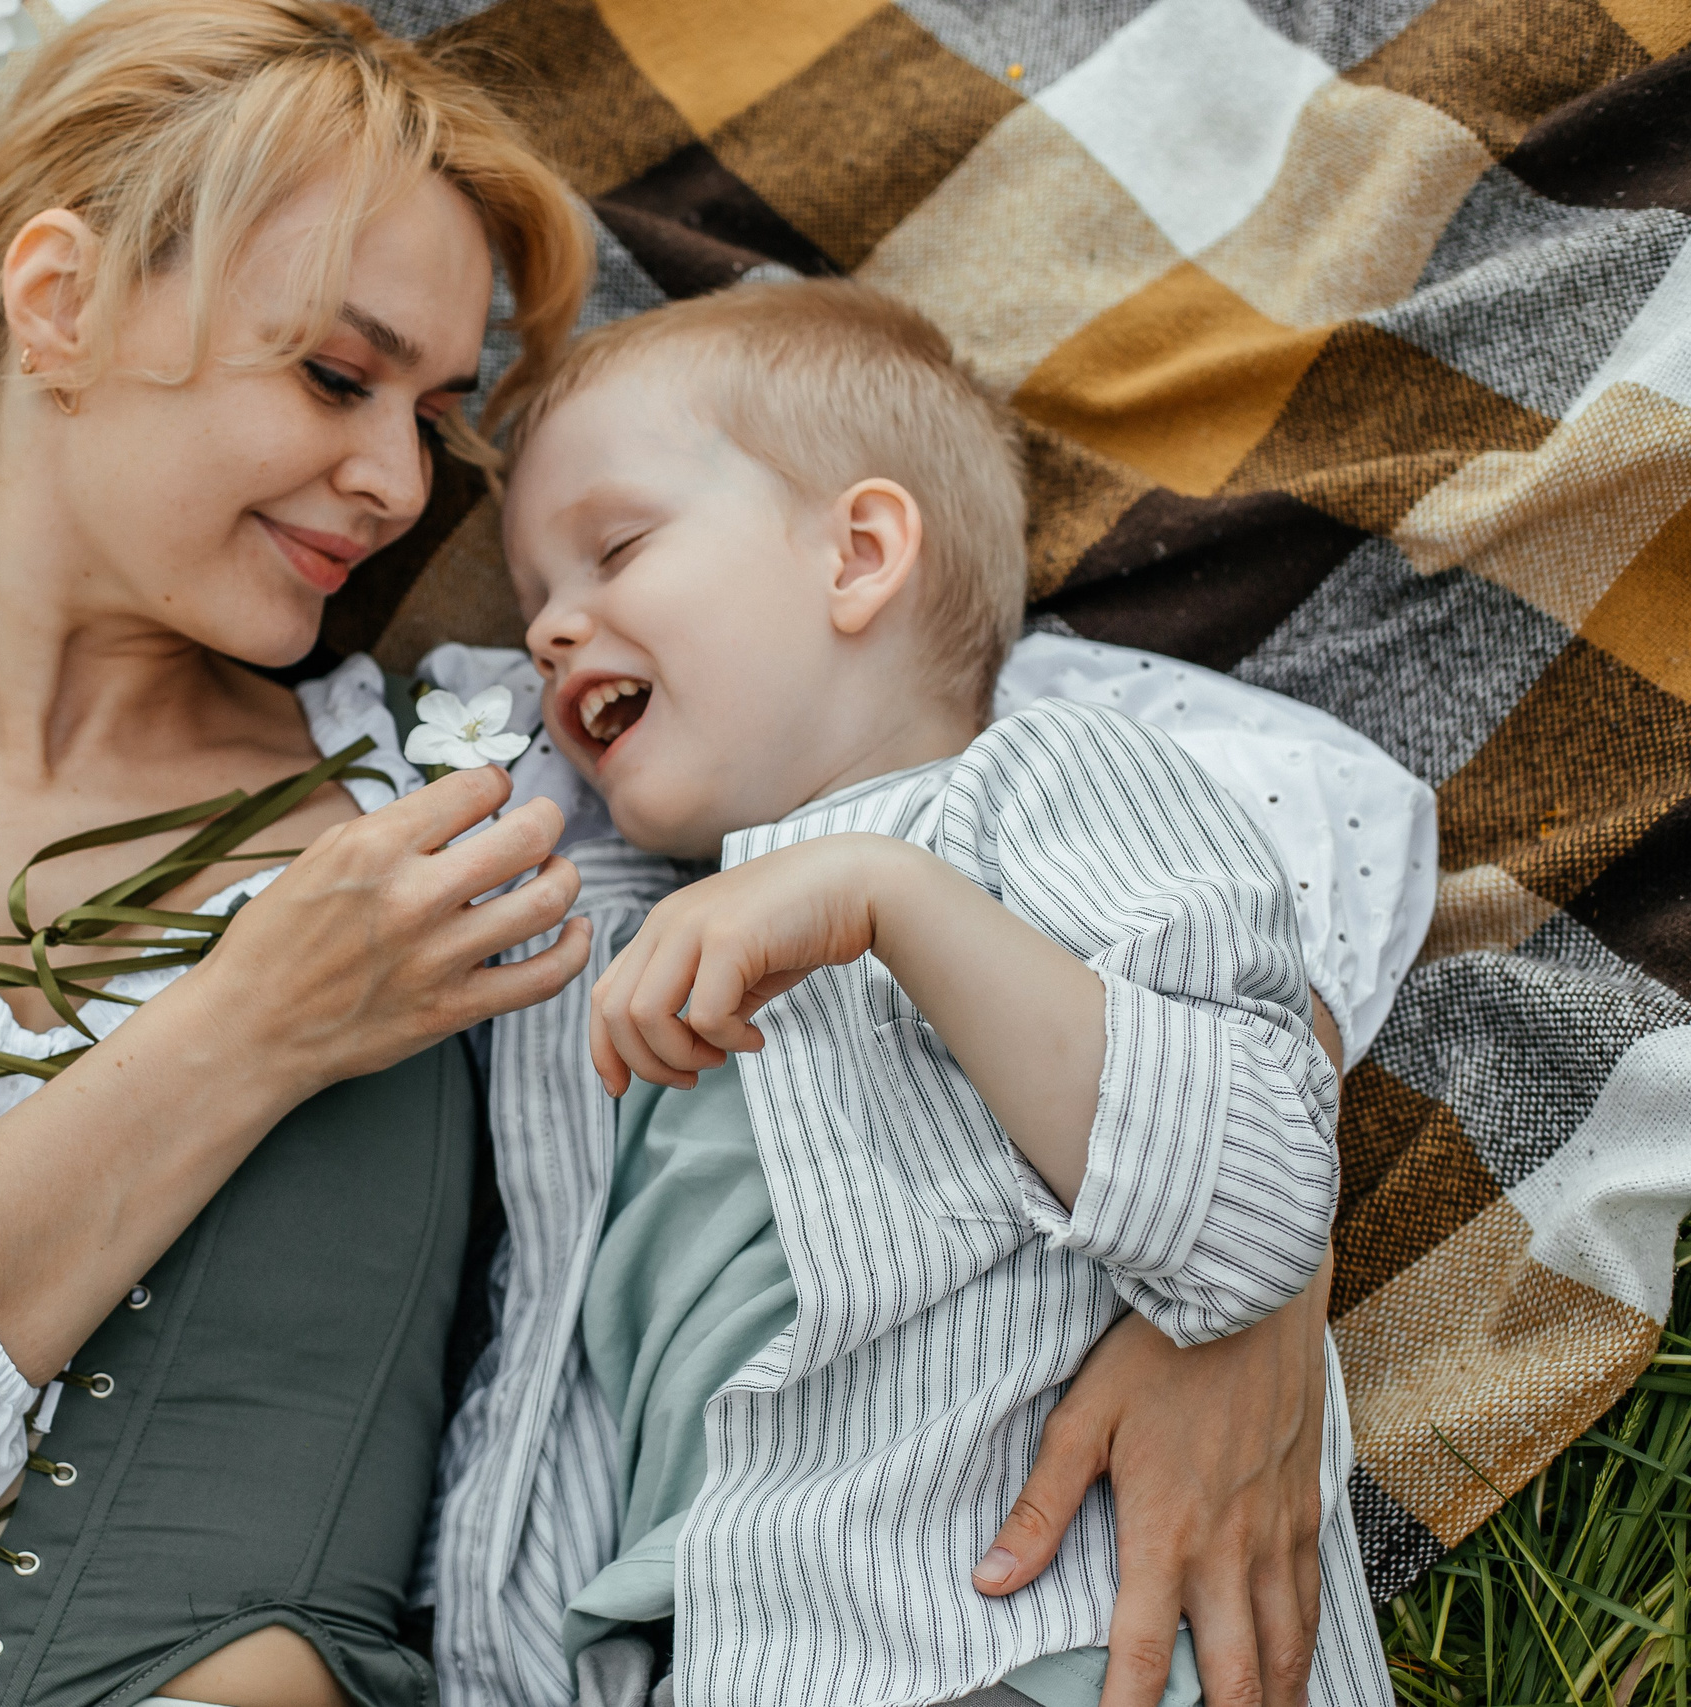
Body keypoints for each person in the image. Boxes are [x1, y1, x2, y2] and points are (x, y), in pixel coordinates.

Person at [0, 7, 1410, 1707]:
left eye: (436, 413)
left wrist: (1236, 1301)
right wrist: (242, 1026)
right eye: (337, 374)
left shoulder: (487, 772)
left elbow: (1249, 795)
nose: (395, 480)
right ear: (57, 303)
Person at [422, 278, 1419, 1707]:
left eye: (616, 550)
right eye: (533, 605)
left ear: (860, 555)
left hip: (1052, 1636)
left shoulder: (1060, 792)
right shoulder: (588, 963)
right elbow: (545, 1399)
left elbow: (1261, 1197)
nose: (547, 635)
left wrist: (890, 897)